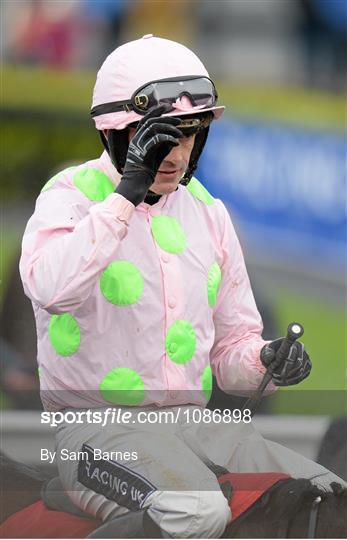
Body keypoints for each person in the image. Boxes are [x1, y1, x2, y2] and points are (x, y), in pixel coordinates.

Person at [19, 35, 342, 538]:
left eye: (189, 135)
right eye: (158, 140)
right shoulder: (69, 196)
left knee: (330, 497)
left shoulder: (209, 213)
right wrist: (128, 192)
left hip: (198, 425)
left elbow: (232, 349)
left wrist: (266, 359)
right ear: (114, 134)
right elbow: (50, 289)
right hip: (96, 431)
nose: (176, 154)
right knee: (196, 512)